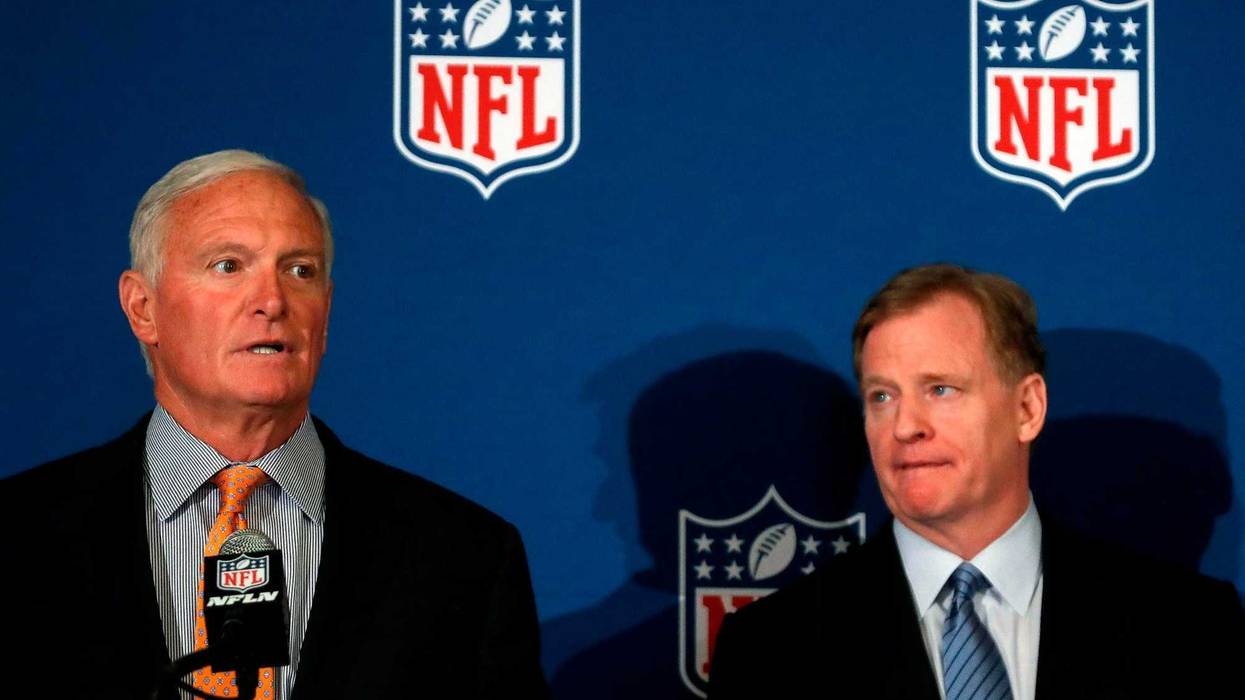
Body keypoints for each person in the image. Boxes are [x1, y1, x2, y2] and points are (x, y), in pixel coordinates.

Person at [0, 150, 550, 699]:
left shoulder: (464, 555)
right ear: (143, 307)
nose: (272, 300)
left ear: (326, 311)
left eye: (299, 271)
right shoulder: (19, 536)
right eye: (228, 266)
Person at [708, 263, 1244, 699]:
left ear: (1027, 408)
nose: (906, 426)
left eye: (940, 389)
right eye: (882, 396)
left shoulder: (1189, 629)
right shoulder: (772, 651)